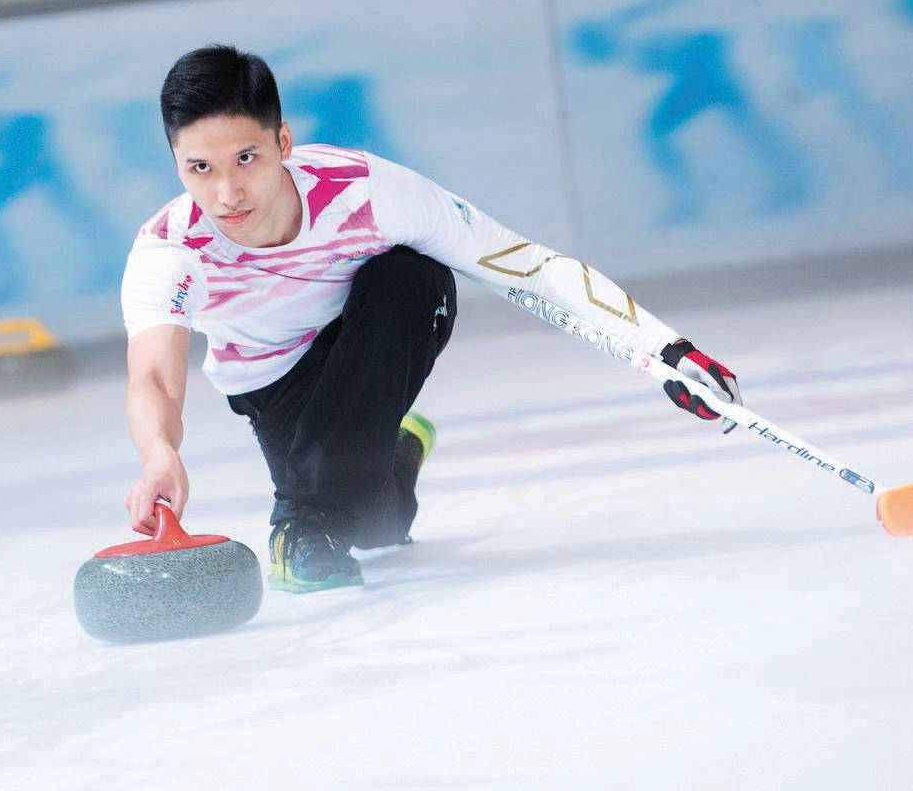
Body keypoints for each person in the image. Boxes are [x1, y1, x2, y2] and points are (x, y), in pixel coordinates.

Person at [120, 45, 742, 593]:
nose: (227, 193)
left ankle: (300, 526)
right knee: (373, 519)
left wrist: (666, 350)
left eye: (246, 159)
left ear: (283, 142)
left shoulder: (366, 192)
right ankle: (398, 451)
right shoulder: (171, 248)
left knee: (414, 276)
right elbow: (154, 376)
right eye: (199, 168)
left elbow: (528, 266)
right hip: (271, 381)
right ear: (175, 163)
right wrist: (157, 454)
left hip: (371, 338)